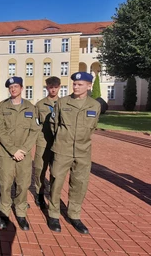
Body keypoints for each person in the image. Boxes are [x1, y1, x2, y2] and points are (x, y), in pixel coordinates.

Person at [48, 72, 101, 234]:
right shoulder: (62, 102)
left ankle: (74, 214)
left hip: (83, 151)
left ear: (89, 86)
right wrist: (63, 138)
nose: (76, 87)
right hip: (62, 149)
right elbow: (54, 125)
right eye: (75, 84)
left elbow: (92, 127)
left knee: (79, 183)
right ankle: (53, 214)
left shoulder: (94, 105)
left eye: (80, 84)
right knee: (56, 181)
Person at [0, 77, 40, 230]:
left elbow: (34, 130)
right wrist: (13, 150)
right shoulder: (2, 106)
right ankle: (4, 212)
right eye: (10, 87)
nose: (13, 89)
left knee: (23, 184)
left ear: (21, 88)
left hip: (24, 154)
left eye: (16, 86)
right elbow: (0, 129)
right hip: (7, 153)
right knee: (5, 184)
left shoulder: (30, 107)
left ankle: (21, 213)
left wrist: (23, 150)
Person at [34, 76, 61, 208]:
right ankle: (39, 194)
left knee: (56, 171)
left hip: (59, 142)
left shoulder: (64, 104)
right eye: (51, 87)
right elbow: (36, 123)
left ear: (59, 88)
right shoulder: (40, 105)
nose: (53, 90)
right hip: (43, 142)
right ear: (47, 88)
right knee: (40, 169)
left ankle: (53, 195)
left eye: (55, 87)